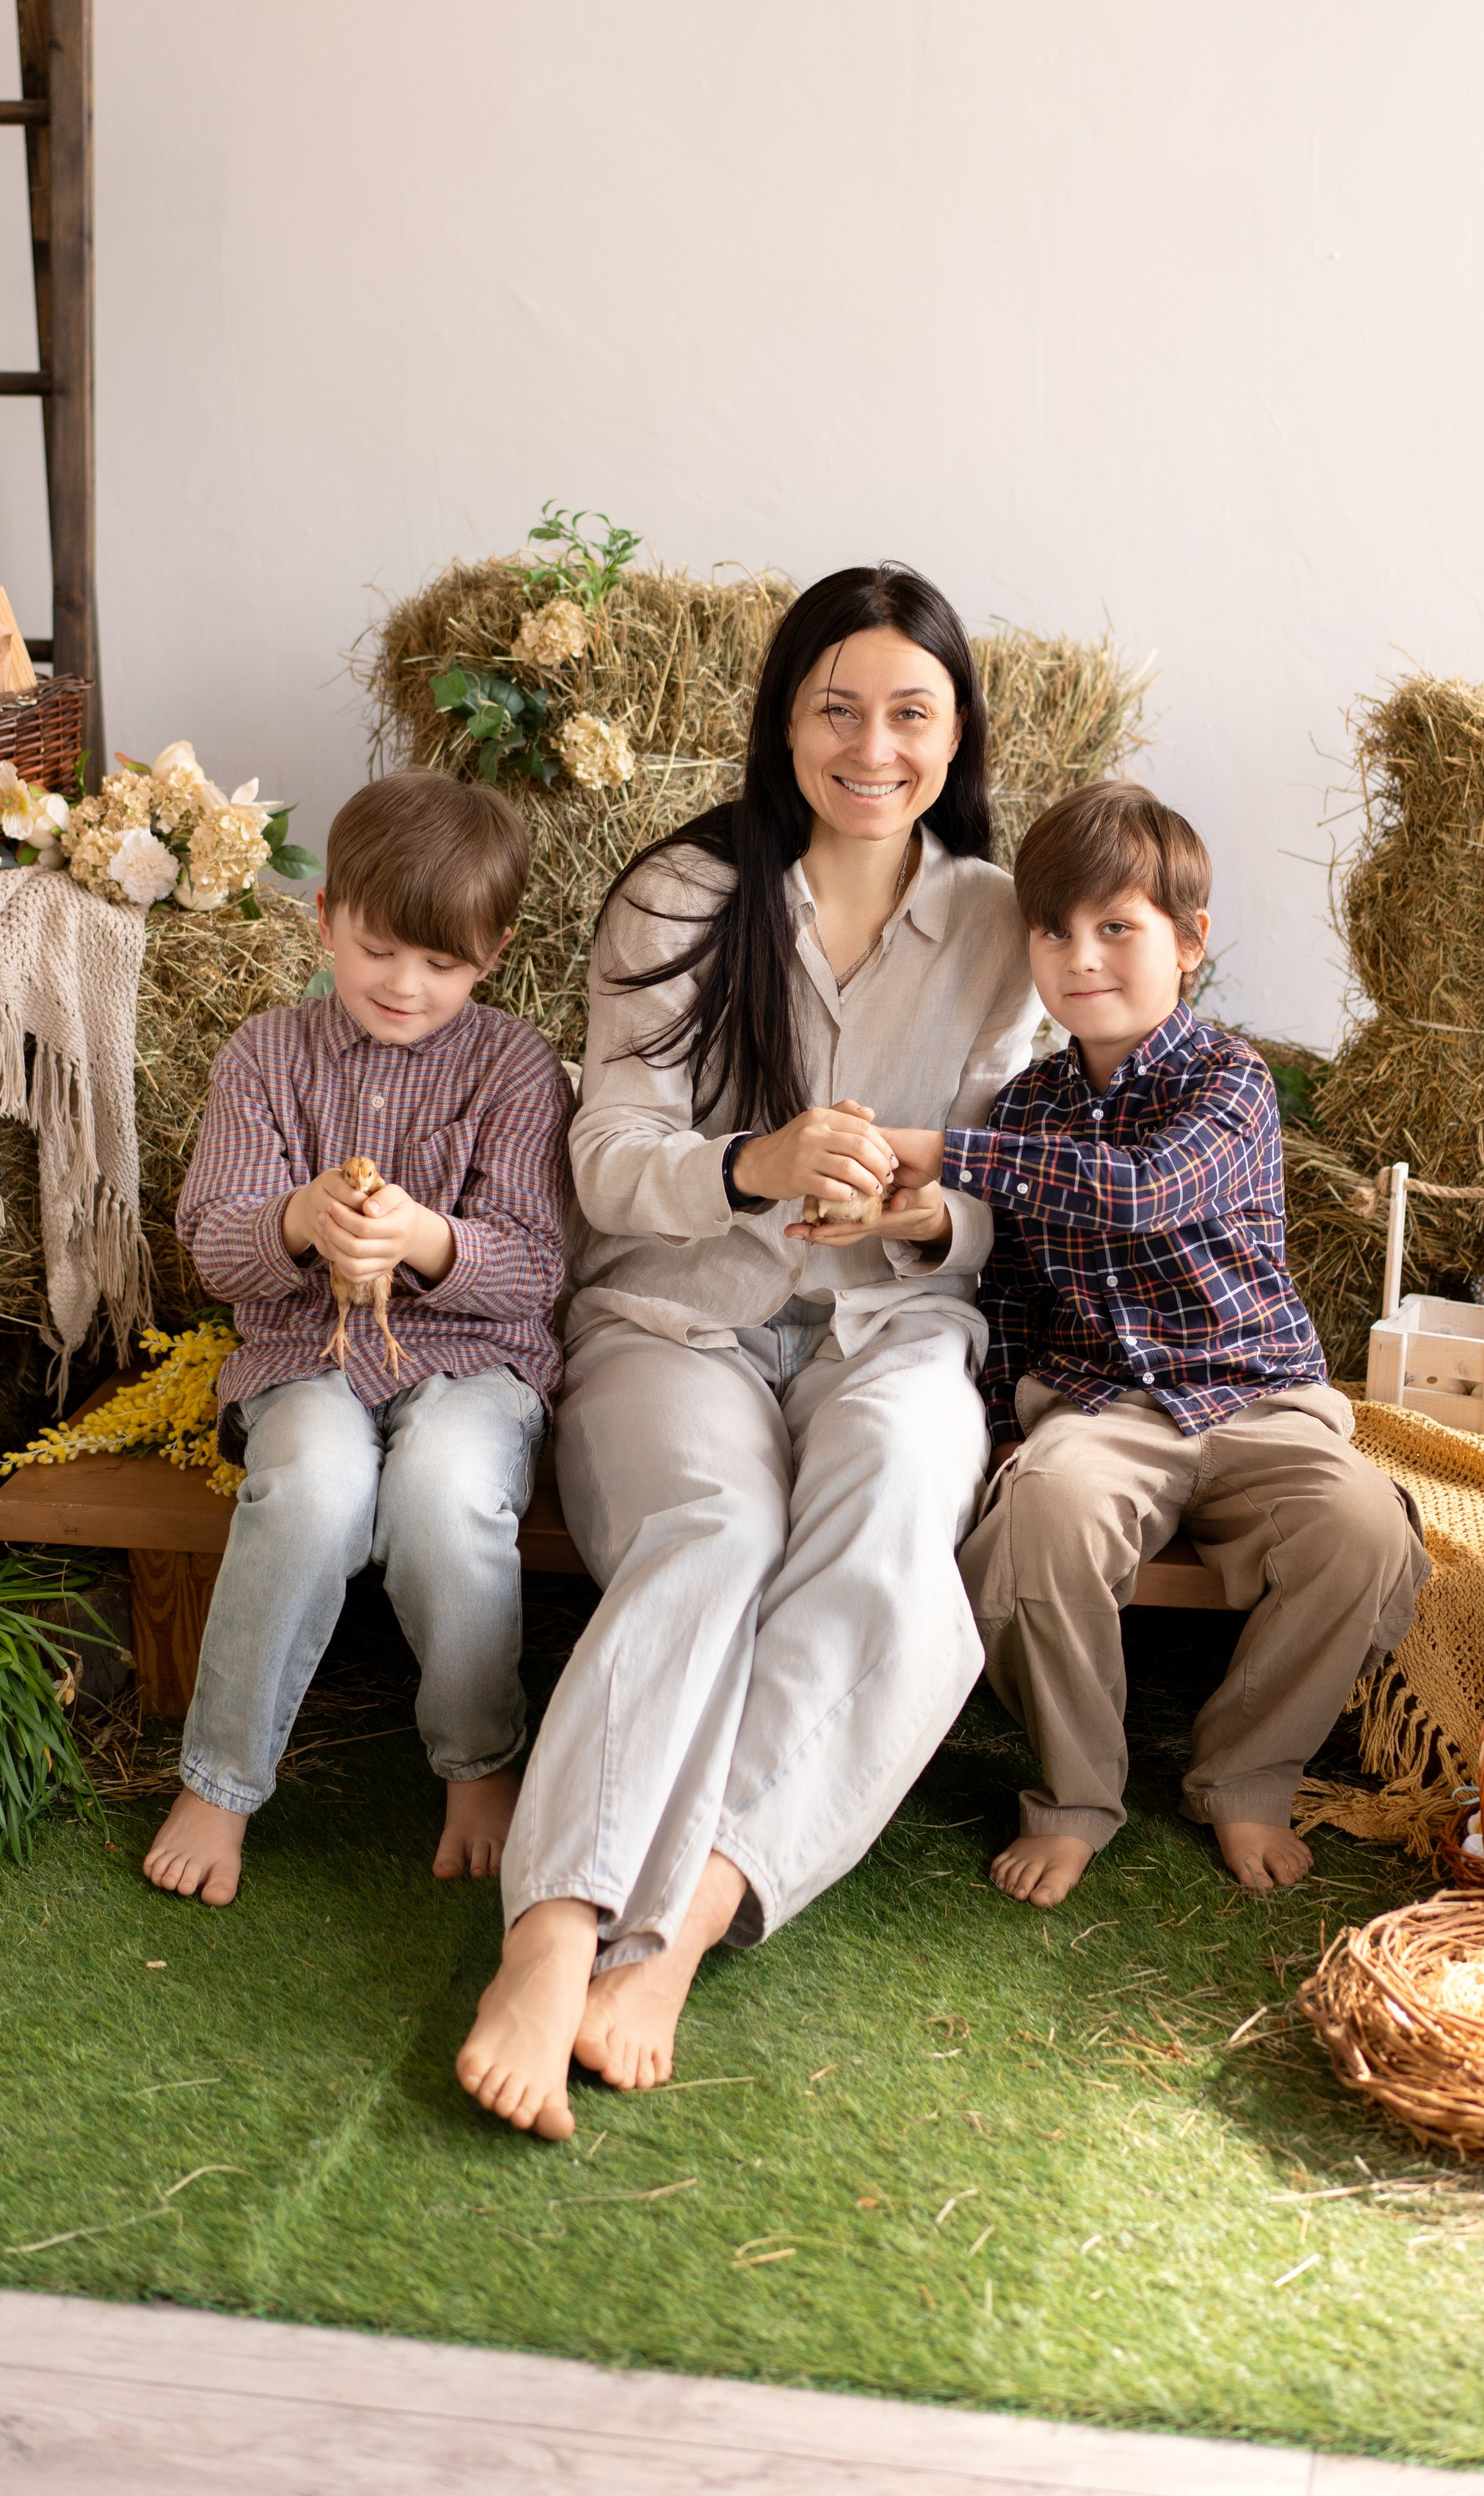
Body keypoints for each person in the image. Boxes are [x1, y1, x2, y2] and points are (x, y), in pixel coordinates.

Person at [455, 563, 1039, 2137]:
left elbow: (1005, 1199)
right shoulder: (679, 896)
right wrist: (753, 1163)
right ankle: (551, 1935)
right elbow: (604, 1159)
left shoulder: (996, 924)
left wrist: (921, 1209)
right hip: (674, 1315)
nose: (871, 745)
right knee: (716, 1528)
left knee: (897, 1518)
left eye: (908, 712)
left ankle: (683, 1933)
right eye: (833, 707)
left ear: (956, 731)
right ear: (782, 723)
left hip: (894, 1324)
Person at [884, 779, 1428, 1908]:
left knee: (1360, 1528)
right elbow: (1014, 1295)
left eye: (1117, 928)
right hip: (1101, 1408)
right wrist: (996, 1433)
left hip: (1260, 1397)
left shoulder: (1231, 1083)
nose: (1082, 957)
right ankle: (1079, 1793)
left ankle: (1248, 1775)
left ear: (1190, 944)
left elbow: (1140, 1192)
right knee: (1040, 1516)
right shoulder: (1026, 1106)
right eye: (1054, 932)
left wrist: (942, 1151)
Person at [143, 767, 571, 1908]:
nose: (406, 984)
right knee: (312, 1489)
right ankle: (223, 1780)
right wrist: (297, 1218)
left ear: (495, 953)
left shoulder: (517, 1067)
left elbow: (536, 1263)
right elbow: (211, 1243)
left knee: (445, 1496)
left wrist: (427, 1239)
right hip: (305, 1360)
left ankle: (479, 1762)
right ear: (326, 917)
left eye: (444, 964)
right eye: (381, 948)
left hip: (474, 1365)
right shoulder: (265, 1058)